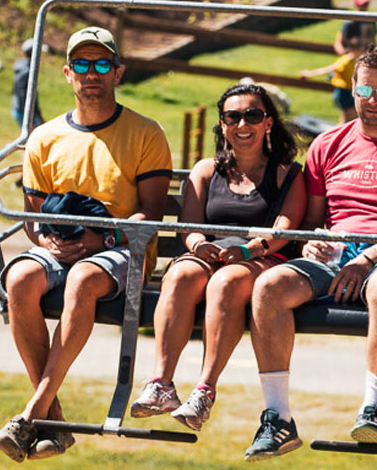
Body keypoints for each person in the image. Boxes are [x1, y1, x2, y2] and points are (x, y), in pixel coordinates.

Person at [243, 47, 377, 461]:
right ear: (352, 90)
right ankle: (277, 418)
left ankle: (373, 409)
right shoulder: (327, 145)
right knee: (268, 286)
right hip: (336, 253)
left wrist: (370, 256)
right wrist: (314, 240)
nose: (372, 100)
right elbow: (315, 218)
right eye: (364, 90)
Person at [0, 27, 173, 462]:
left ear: (118, 73)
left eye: (103, 65)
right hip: (61, 246)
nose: (93, 74)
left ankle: (35, 411)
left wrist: (102, 237)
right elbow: (32, 218)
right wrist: (50, 241)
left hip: (121, 248)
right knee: (19, 278)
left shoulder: (145, 134)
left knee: (83, 281)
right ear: (68, 74)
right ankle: (52, 419)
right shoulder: (44, 139)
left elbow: (150, 214)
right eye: (84, 66)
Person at [130, 83, 306, 431]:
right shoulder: (207, 171)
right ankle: (161, 383)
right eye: (233, 117)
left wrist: (247, 250)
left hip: (260, 257)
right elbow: (190, 227)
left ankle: (204, 390)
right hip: (209, 255)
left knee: (225, 281)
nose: (243, 125)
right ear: (223, 124)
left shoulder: (287, 173)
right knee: (180, 276)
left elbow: (284, 230)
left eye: (253, 116)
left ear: (268, 123)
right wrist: (198, 246)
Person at [298, 33, 361, 124]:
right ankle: (338, 137)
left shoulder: (358, 60)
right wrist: (309, 74)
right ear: (354, 49)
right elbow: (328, 69)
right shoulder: (345, 61)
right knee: (346, 121)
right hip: (344, 92)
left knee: (354, 119)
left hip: (351, 92)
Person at [12, 38, 46, 131]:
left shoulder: (27, 69)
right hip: (24, 112)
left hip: (27, 111)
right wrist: (30, 120)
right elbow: (22, 96)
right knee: (30, 138)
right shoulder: (26, 72)